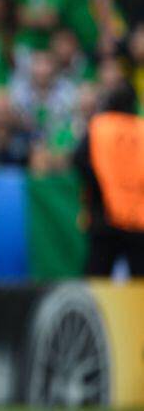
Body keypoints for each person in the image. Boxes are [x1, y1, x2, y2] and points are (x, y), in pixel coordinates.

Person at [74, 82, 144, 276]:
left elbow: (79, 159)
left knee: (97, 276)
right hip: (138, 218)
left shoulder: (99, 125)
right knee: (139, 281)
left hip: (103, 214)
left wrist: (98, 187)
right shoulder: (141, 129)